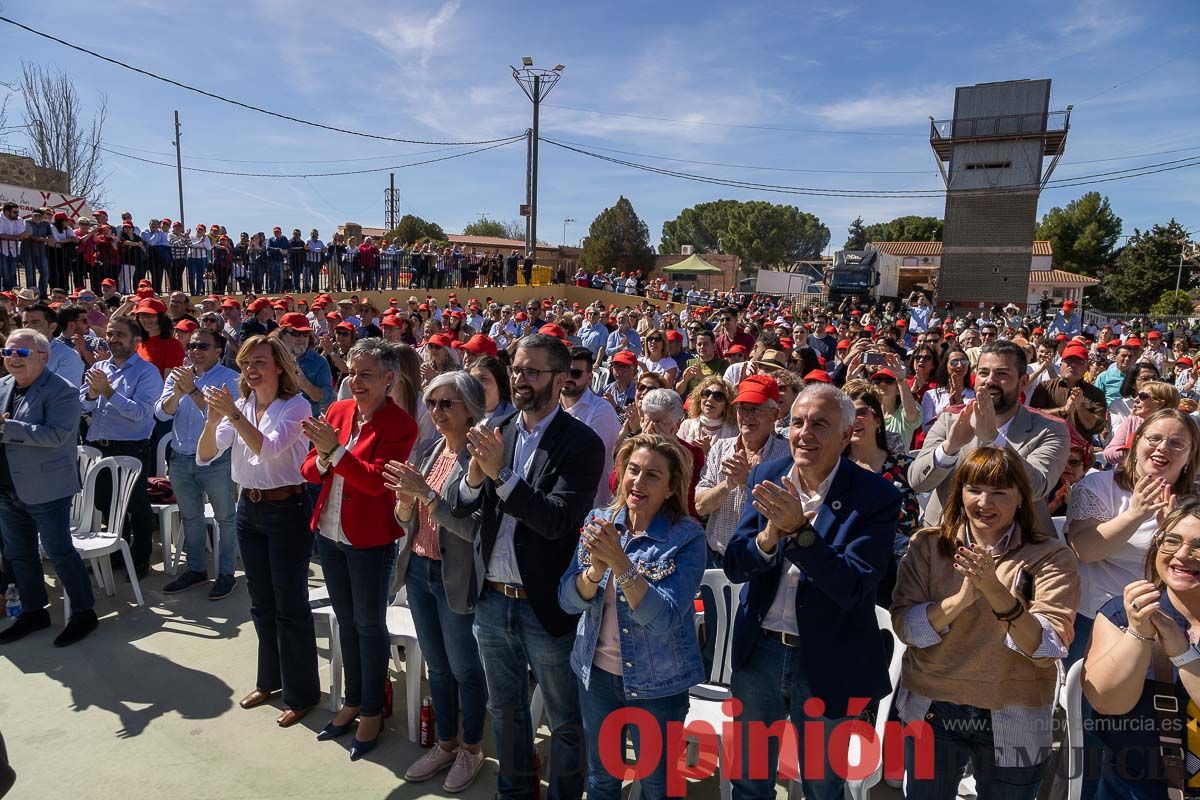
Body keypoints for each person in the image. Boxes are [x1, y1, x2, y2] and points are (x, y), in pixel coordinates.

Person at [723, 383, 902, 800]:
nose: (805, 433)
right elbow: (735, 565)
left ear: (846, 435)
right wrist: (769, 536)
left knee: (823, 785)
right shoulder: (768, 476)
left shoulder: (875, 497)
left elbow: (855, 587)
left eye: (820, 424)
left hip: (826, 661)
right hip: (760, 654)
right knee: (749, 780)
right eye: (798, 422)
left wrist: (801, 534)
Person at [447, 333, 605, 800]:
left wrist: (500, 474)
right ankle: (513, 792)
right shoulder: (499, 431)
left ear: (561, 379)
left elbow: (556, 520)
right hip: (492, 599)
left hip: (545, 606)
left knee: (564, 718)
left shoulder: (583, 444)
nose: (520, 379)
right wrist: (476, 478)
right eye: (516, 369)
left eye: (533, 372)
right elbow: (460, 504)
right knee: (506, 710)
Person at [891, 446, 1080, 800]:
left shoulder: (1051, 556)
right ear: (959, 492)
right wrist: (961, 600)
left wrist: (996, 593)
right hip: (934, 706)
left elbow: (1048, 647)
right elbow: (905, 627)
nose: (984, 502)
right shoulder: (928, 546)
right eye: (974, 489)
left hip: (1015, 708)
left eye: (999, 492)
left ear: (1021, 497)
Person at [559, 434, 706, 800]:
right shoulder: (599, 521)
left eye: (653, 475)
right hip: (597, 678)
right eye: (633, 470)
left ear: (672, 488)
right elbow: (567, 601)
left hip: (659, 687)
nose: (638, 482)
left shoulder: (687, 538)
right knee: (603, 779)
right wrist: (593, 572)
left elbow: (665, 619)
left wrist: (621, 564)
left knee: (657, 786)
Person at [300, 338, 417, 759]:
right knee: (346, 621)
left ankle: (371, 709)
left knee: (369, 626)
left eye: (366, 373)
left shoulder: (400, 425)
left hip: (370, 540)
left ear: (389, 379)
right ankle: (352, 700)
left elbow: (372, 482)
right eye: (352, 371)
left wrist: (335, 450)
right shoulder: (338, 411)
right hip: (330, 534)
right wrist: (326, 454)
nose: (356, 380)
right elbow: (309, 469)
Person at [197, 335, 320, 728]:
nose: (250, 369)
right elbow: (205, 454)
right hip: (248, 508)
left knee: (291, 607)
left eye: (259, 362)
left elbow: (268, 449)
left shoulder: (296, 405)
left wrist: (232, 414)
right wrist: (214, 418)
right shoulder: (244, 405)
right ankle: (269, 681)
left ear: (279, 366)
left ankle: (302, 694)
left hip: (287, 510)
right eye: (246, 363)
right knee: (260, 603)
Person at [384, 372, 491, 791]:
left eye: (447, 404)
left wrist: (426, 496)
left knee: (465, 667)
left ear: (470, 409)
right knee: (438, 666)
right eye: (433, 403)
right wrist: (406, 503)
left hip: (454, 577)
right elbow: (406, 521)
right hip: (420, 569)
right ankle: (446, 743)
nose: (437, 411)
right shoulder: (429, 451)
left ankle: (471, 747)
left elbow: (473, 529)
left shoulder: (479, 460)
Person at [1082, 497, 1200, 800]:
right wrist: (1138, 634)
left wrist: (1182, 653)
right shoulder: (1121, 614)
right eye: (1172, 541)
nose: (1183, 555)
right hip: (1132, 788)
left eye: (1199, 546)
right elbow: (1106, 702)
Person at [1066, 408, 1200, 662]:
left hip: (1169, 620)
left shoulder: (1194, 503)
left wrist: (1168, 533)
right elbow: (1086, 550)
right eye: (1154, 438)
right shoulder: (1099, 486)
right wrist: (1135, 514)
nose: (1163, 448)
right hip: (1096, 616)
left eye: (1176, 443)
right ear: (1137, 441)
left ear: (1189, 455)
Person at [911, 340, 1070, 537]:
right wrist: (949, 447)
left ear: (1023, 382)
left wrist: (995, 440)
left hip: (1021, 545)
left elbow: (1037, 487)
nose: (989, 381)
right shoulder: (951, 419)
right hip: (947, 537)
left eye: (1002, 374)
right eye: (983, 373)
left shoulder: (1050, 428)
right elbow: (918, 481)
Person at [0, 329, 97, 646]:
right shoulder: (2, 386)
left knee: (59, 552)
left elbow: (56, 436)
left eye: (22, 353)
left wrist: (8, 427)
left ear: (43, 357)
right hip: (7, 489)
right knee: (19, 555)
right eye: (7, 352)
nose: (13, 358)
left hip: (47, 489)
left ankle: (84, 614)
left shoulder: (62, 391)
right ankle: (34, 612)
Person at [156, 328, 241, 599]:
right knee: (190, 517)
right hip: (181, 458)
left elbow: (224, 418)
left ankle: (227, 573)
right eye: (191, 346)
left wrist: (192, 390)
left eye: (203, 346)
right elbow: (161, 413)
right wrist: (178, 392)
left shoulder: (230, 380)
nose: (195, 351)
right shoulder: (178, 376)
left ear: (218, 351)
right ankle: (196, 569)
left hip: (216, 459)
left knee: (225, 517)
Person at [81, 315, 165, 579]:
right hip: (98, 446)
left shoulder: (147, 372)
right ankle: (118, 551)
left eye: (119, 334)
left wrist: (108, 392)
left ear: (135, 340)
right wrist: (92, 395)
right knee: (105, 503)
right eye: (110, 334)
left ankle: (140, 559)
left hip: (131, 448)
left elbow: (140, 413)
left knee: (136, 505)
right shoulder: (100, 367)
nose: (113, 339)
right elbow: (83, 405)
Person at [695, 374, 791, 568]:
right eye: (742, 408)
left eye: (755, 409)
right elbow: (701, 507)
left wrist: (748, 481)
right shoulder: (720, 448)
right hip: (716, 558)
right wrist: (728, 485)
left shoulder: (788, 454)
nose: (747, 416)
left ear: (774, 414)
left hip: (763, 560)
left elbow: (789, 512)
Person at [844, 383, 919, 604]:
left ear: (878, 420)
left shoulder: (904, 466)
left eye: (862, 412)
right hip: (853, 565)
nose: (855, 419)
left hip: (900, 567)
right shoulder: (836, 470)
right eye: (848, 414)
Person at [561, 346, 621, 506]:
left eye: (575, 373)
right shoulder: (549, 407)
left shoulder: (602, 410)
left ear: (589, 378)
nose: (568, 378)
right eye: (564, 372)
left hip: (591, 506)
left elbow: (587, 459)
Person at [1028, 340, 1108, 440]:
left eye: (1078, 362)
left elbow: (1096, 428)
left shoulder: (1096, 394)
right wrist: (1063, 410)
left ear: (1086, 368)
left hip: (1079, 451)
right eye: (1069, 361)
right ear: (1061, 364)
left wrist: (1080, 408)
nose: (1073, 365)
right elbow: (1032, 417)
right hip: (1047, 446)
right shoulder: (1045, 387)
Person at [1103, 381, 1181, 465]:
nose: (1136, 399)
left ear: (1160, 404)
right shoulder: (1132, 421)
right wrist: (1132, 452)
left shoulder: (1177, 428)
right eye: (1137, 395)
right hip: (1127, 475)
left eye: (1142, 396)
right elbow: (1108, 453)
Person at [678, 375, 738, 454]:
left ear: (726, 405)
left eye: (718, 397)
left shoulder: (735, 430)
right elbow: (678, 458)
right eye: (706, 393)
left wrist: (709, 452)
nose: (710, 399)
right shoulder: (687, 425)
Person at [920, 345, 975, 430]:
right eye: (954, 362)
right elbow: (926, 428)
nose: (960, 366)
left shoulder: (975, 395)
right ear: (945, 366)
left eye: (964, 362)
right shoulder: (930, 395)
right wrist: (949, 411)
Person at [468, 355, 515, 421]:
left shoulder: (514, 418)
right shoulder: (467, 417)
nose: (475, 385)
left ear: (499, 384)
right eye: (472, 380)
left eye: (483, 379)